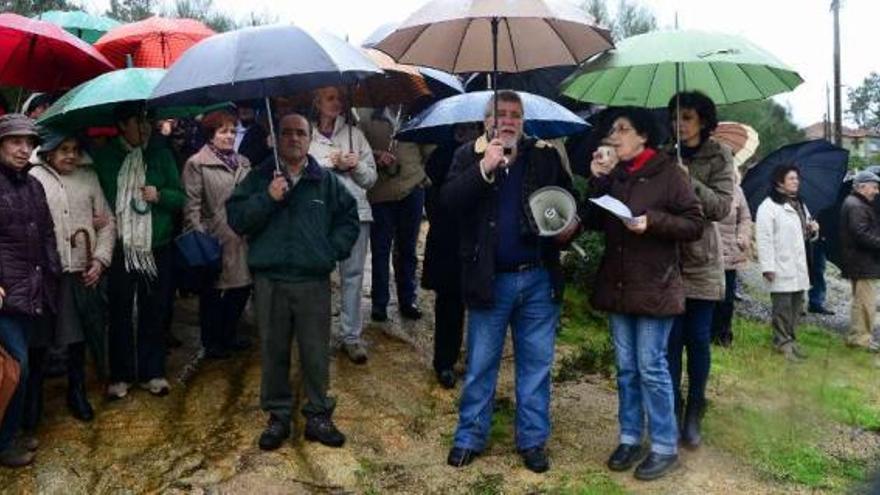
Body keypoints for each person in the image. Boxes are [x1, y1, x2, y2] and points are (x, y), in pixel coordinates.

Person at [442, 91, 579, 473]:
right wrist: (484, 168)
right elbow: (449, 202)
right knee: (481, 364)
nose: (508, 120)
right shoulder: (468, 155)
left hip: (538, 277)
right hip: (489, 279)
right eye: (500, 114)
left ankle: (532, 440)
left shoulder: (544, 154)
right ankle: (469, 436)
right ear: (487, 120)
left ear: (523, 120)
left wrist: (571, 226)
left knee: (536, 365)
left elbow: (569, 201)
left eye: (515, 114)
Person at [226, 112, 359, 451]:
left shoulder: (324, 181)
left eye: (301, 133)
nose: (294, 139)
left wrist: (331, 251)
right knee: (274, 351)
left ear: (310, 137)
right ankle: (278, 415)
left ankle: (317, 415)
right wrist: (267, 198)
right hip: (270, 279)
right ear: (277, 138)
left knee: (315, 352)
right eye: (287, 133)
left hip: (312, 281)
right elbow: (238, 219)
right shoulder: (260, 177)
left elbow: (349, 219)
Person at [585, 107, 704, 480]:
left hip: (656, 285)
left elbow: (695, 223)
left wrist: (652, 222)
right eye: (612, 130)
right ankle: (630, 437)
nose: (614, 136)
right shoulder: (615, 173)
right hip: (619, 285)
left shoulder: (670, 174)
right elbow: (594, 222)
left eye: (623, 129)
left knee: (652, 368)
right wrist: (598, 181)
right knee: (625, 369)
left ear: (643, 137)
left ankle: (665, 447)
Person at [92, 104, 185, 399]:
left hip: (155, 245)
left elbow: (179, 197)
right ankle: (120, 375)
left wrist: (160, 195)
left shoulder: (161, 153)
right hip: (121, 246)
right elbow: (97, 198)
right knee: (119, 311)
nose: (144, 127)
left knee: (154, 309)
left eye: (147, 121)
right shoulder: (106, 158)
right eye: (137, 121)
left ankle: (152, 371)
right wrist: (101, 216)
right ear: (121, 125)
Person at [25, 129, 114, 430]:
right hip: (44, 273)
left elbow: (107, 223)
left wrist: (100, 260)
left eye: (75, 149)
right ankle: (32, 398)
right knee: (39, 340)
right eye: (64, 149)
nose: (71, 155)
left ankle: (76, 391)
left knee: (77, 337)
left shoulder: (88, 177)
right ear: (49, 151)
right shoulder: (33, 177)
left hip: (80, 269)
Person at [665, 91, 734, 448]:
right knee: (671, 342)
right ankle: (673, 411)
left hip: (702, 261)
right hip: (666, 261)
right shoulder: (664, 154)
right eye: (675, 116)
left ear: (703, 121)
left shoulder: (719, 155)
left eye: (687, 117)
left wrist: (688, 179)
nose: (680, 123)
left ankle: (695, 411)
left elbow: (722, 207)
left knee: (697, 339)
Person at [0, 114, 60, 467]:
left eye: (30, 143)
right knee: (14, 366)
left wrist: (52, 272)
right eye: (15, 142)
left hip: (35, 290)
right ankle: (4, 442)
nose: (24, 150)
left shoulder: (33, 184)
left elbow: (48, 232)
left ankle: (12, 431)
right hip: (6, 296)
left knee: (22, 366)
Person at [309, 87, 377, 364]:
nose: (336, 103)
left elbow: (371, 179)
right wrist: (328, 164)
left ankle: (351, 337)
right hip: (318, 217)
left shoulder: (355, 135)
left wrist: (355, 165)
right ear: (317, 102)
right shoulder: (306, 135)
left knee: (352, 277)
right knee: (317, 278)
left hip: (355, 215)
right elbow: (299, 172)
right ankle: (316, 337)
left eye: (339, 98)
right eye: (329, 98)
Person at [182, 110, 253, 359]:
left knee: (241, 288)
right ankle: (211, 340)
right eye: (223, 131)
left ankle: (229, 333)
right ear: (211, 135)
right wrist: (202, 238)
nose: (229, 136)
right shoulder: (196, 163)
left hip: (242, 236)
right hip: (216, 237)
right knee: (213, 292)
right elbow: (192, 206)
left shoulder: (243, 162)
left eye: (233, 131)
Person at [422, 122, 482, 389]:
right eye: (461, 126)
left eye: (471, 127)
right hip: (449, 241)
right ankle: (444, 362)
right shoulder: (441, 155)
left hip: (482, 242)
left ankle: (476, 361)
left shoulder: (491, 155)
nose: (465, 131)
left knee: (482, 305)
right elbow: (434, 199)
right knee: (449, 305)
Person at [359, 106, 431, 322]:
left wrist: (418, 174)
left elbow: (428, 149)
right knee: (380, 249)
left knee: (407, 248)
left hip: (412, 188)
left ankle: (408, 299)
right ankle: (379, 302)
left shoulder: (415, 113)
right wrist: (375, 155)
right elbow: (356, 149)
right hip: (380, 192)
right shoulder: (362, 115)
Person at [755, 165, 817, 361]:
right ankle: (781, 343)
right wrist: (768, 267)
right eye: (791, 178)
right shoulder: (768, 206)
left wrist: (813, 229)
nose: (796, 181)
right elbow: (763, 238)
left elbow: (805, 234)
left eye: (797, 178)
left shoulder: (800, 204)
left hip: (799, 263)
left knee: (797, 306)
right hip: (780, 264)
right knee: (782, 307)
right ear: (779, 182)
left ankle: (791, 340)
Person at [839, 170, 880, 351]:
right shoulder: (856, 206)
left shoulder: (856, 203)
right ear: (862, 187)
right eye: (874, 187)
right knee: (865, 303)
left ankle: (857, 337)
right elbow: (861, 234)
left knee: (861, 301)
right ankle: (860, 339)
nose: (876, 191)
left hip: (859, 261)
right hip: (862, 262)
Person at [711, 170, 752, 347]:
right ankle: (706, 334)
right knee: (707, 297)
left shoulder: (737, 191)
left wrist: (743, 235)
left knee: (727, 299)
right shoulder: (705, 189)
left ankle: (723, 335)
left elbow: (745, 217)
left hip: (730, 253)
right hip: (708, 252)